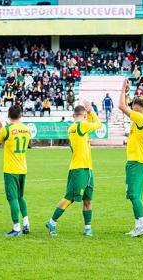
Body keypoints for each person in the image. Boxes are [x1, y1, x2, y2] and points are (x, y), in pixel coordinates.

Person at [45, 101, 101, 237]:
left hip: (86, 168)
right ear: (84, 115)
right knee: (69, 198)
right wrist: (91, 111)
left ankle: (87, 227)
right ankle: (52, 221)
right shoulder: (81, 125)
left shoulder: (72, 127)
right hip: (79, 168)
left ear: (73, 115)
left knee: (87, 199)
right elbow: (99, 124)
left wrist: (88, 114)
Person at [118, 79, 143, 237]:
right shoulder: (142, 119)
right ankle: (139, 224)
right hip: (137, 160)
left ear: (137, 109)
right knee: (133, 194)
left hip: (137, 161)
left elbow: (121, 107)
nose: (130, 112)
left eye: (133, 109)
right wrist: (126, 93)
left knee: (134, 195)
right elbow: (125, 106)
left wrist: (121, 90)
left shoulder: (140, 118)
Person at [0, 105, 31, 236]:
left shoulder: (6, 130)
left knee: (12, 198)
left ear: (9, 116)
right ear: (20, 115)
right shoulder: (27, 129)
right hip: (23, 168)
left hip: (11, 169)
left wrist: (1, 131)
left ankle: (16, 228)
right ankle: (26, 223)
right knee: (21, 196)